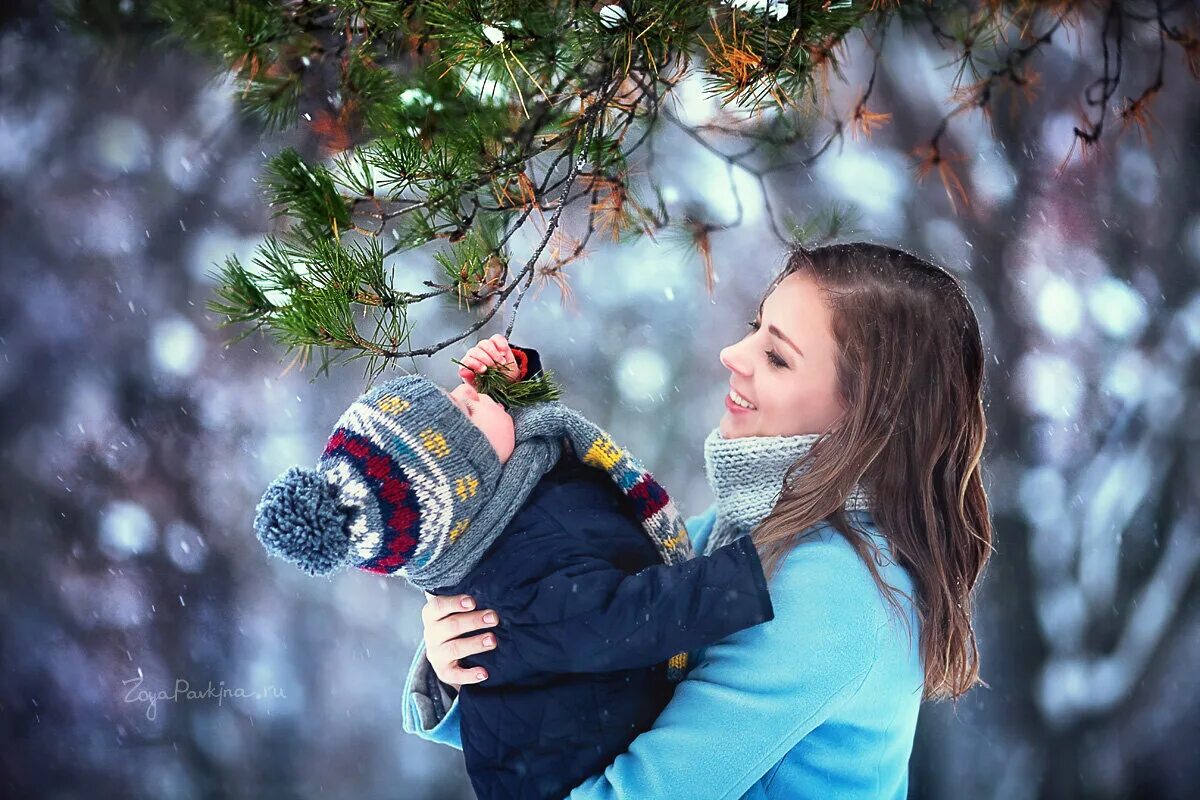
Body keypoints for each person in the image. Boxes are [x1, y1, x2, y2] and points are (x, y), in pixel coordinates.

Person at [403, 243, 994, 799]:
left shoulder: (833, 590)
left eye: (778, 357)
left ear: (864, 417)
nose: (732, 356)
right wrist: (473, 647)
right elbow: (608, 697)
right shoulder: (751, 529)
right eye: (753, 328)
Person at [252, 342, 776, 800]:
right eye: (465, 410)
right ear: (467, 476)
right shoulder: (514, 588)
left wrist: (514, 380)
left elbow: (548, 454)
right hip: (585, 775)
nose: (472, 392)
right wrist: (745, 578)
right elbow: (630, 616)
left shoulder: (508, 502)